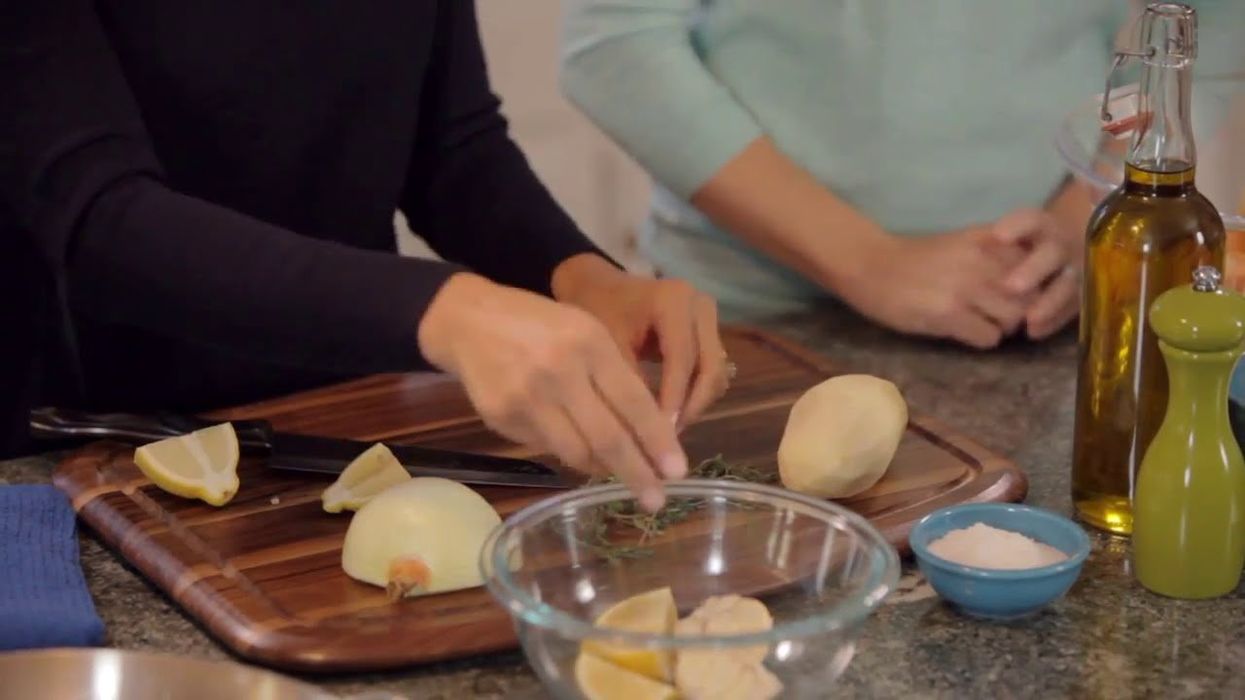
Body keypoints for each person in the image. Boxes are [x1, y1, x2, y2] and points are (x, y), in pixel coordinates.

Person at [0, 2, 730, 511]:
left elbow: (451, 148)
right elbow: (100, 220)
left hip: (340, 424)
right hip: (86, 451)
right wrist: (447, 311)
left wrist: (581, 276)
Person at [559, 0, 1243, 349]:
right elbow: (615, 44)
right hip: (745, 320)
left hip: (1036, 316)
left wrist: (1083, 214)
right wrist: (865, 260)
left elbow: (1205, 27)